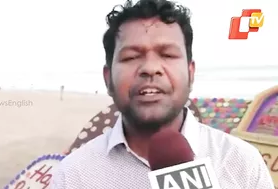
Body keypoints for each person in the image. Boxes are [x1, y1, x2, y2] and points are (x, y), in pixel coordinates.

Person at [51, 0, 274, 188]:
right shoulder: (73, 176)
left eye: (167, 54)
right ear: (108, 79)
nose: (150, 68)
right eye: (130, 57)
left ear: (190, 73)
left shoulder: (242, 163)